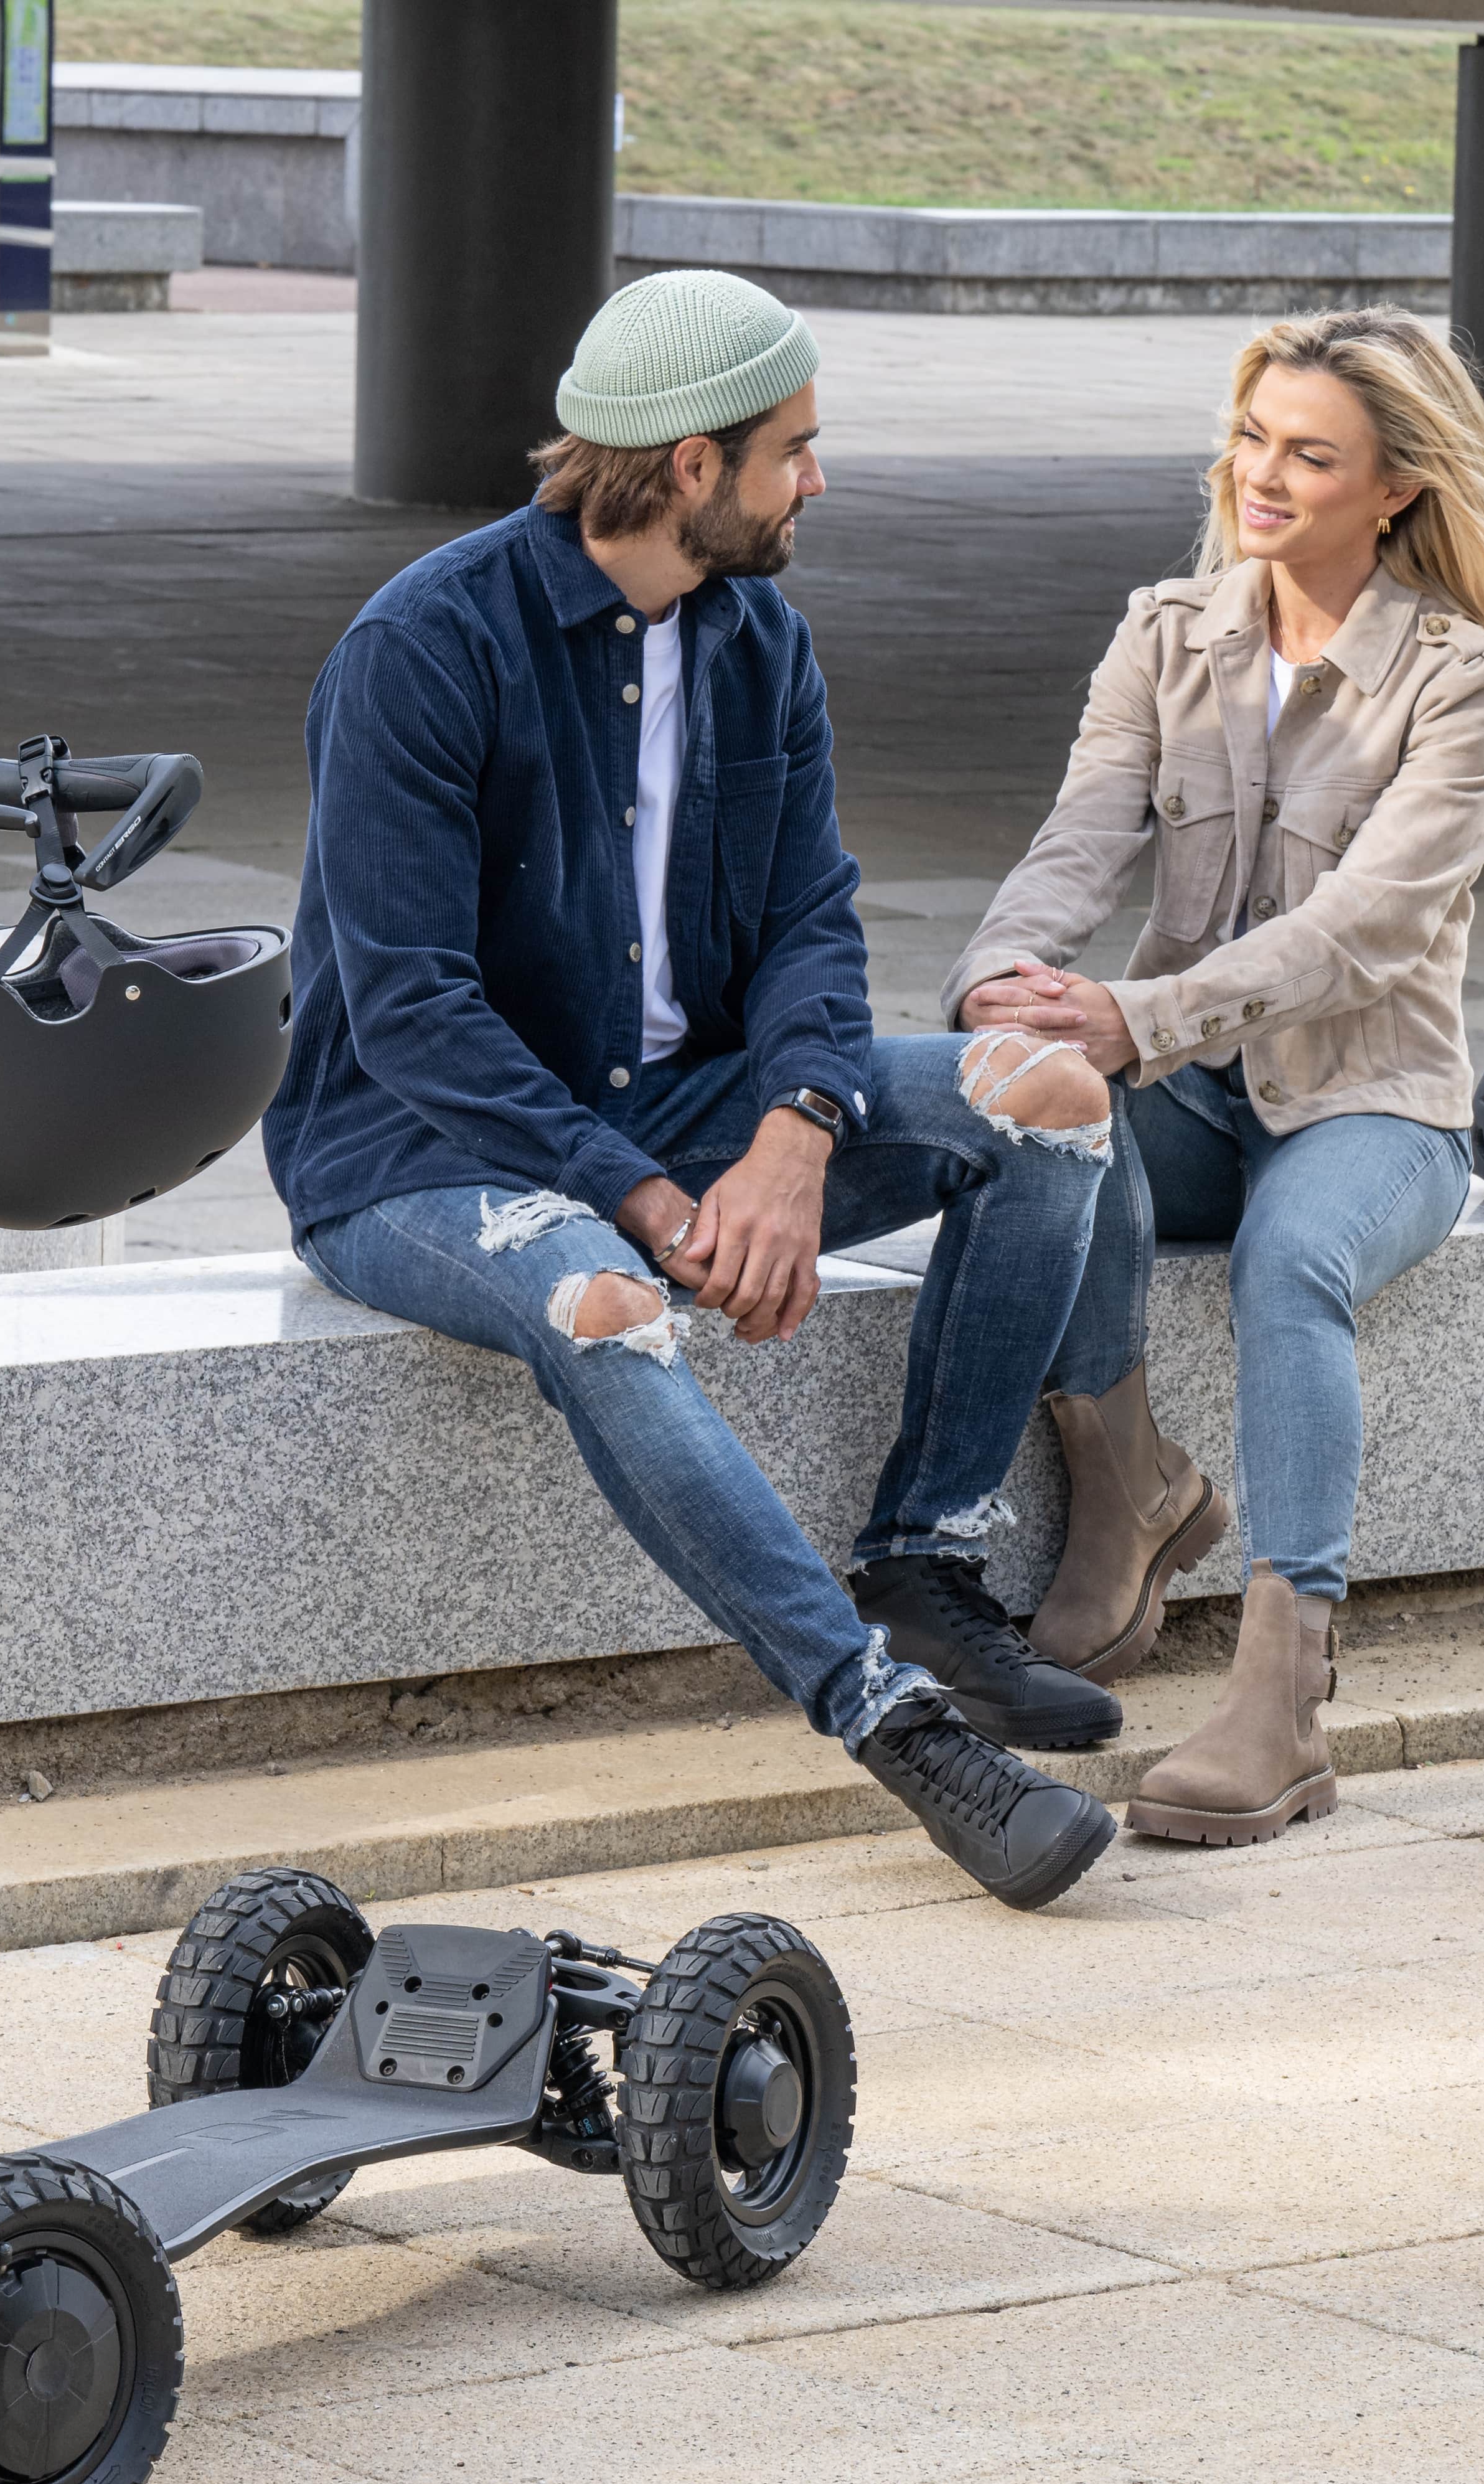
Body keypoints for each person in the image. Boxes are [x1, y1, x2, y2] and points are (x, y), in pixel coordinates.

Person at [271, 271, 1127, 1913]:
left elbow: (814, 915)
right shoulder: (422, 649)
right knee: (605, 1299)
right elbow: (410, 1010)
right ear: (688, 465)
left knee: (1051, 1101)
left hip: (696, 1103)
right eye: (794, 449)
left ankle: (925, 1564)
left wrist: (794, 1134)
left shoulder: (763, 643)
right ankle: (897, 1729)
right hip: (414, 1154)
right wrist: (652, 1197)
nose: (820, 480)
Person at [949, 308, 1484, 1843]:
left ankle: (1281, 1689)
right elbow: (1081, 836)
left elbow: (1360, 930)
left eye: (1310, 455)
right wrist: (1002, 980)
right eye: (1254, 438)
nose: (1264, 475)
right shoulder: (1166, 630)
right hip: (1187, 1084)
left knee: (1290, 1260)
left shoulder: (1461, 682)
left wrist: (1135, 1012)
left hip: (1374, 1108)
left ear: (1395, 488)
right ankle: (1128, 1485)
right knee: (1039, 1127)